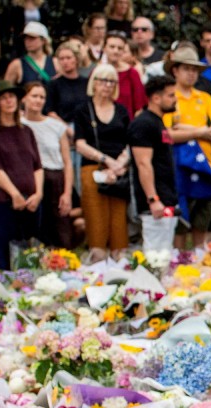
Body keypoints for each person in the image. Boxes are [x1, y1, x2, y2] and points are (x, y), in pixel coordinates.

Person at [74, 64, 131, 262]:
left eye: (111, 81)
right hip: (93, 168)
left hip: (118, 172)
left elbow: (128, 142)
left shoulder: (121, 110)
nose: (107, 86)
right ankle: (97, 264)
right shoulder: (83, 109)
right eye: (102, 80)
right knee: (96, 222)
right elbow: (80, 144)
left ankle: (120, 266)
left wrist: (118, 165)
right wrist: (106, 161)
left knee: (118, 223)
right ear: (94, 83)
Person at [163, 48, 211, 249]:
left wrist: (187, 129)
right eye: (186, 69)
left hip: (206, 165)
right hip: (178, 166)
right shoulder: (169, 97)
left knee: (201, 221)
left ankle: (198, 265)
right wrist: (200, 131)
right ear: (175, 70)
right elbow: (168, 134)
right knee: (180, 223)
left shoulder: (205, 97)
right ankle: (177, 264)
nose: (191, 74)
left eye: (195, 70)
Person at [129, 76, 185, 245]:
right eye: (171, 95)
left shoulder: (158, 122)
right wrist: (153, 199)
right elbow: (143, 164)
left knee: (165, 252)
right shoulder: (143, 124)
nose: (175, 99)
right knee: (155, 255)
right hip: (154, 203)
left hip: (167, 197)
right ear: (155, 98)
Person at [0, 81, 42, 269]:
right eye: (3, 98)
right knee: (4, 243)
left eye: (11, 96)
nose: (9, 101)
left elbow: (37, 165)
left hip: (32, 199)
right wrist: (14, 194)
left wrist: (38, 194)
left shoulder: (26, 131)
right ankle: (5, 287)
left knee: (30, 246)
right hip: (5, 199)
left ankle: (28, 285)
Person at [21, 82, 75, 249]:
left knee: (59, 229)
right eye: (34, 96)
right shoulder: (18, 124)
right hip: (29, 179)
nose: (38, 100)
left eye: (42, 97)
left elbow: (67, 162)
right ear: (24, 98)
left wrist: (67, 193)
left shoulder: (55, 125)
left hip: (55, 177)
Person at [104, 31, 145, 118]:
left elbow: (139, 107)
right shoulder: (97, 72)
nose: (115, 51)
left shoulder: (132, 73)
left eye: (120, 48)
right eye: (112, 47)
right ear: (104, 48)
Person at [44, 42, 89, 123]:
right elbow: (50, 111)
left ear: (76, 59)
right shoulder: (53, 84)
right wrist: (65, 128)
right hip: (62, 127)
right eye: (61, 58)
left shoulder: (86, 82)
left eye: (68, 58)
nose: (65, 61)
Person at [3, 22, 54, 86]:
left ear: (43, 40)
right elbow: (6, 91)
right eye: (25, 38)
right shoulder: (16, 65)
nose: (27, 41)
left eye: (32, 38)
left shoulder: (55, 63)